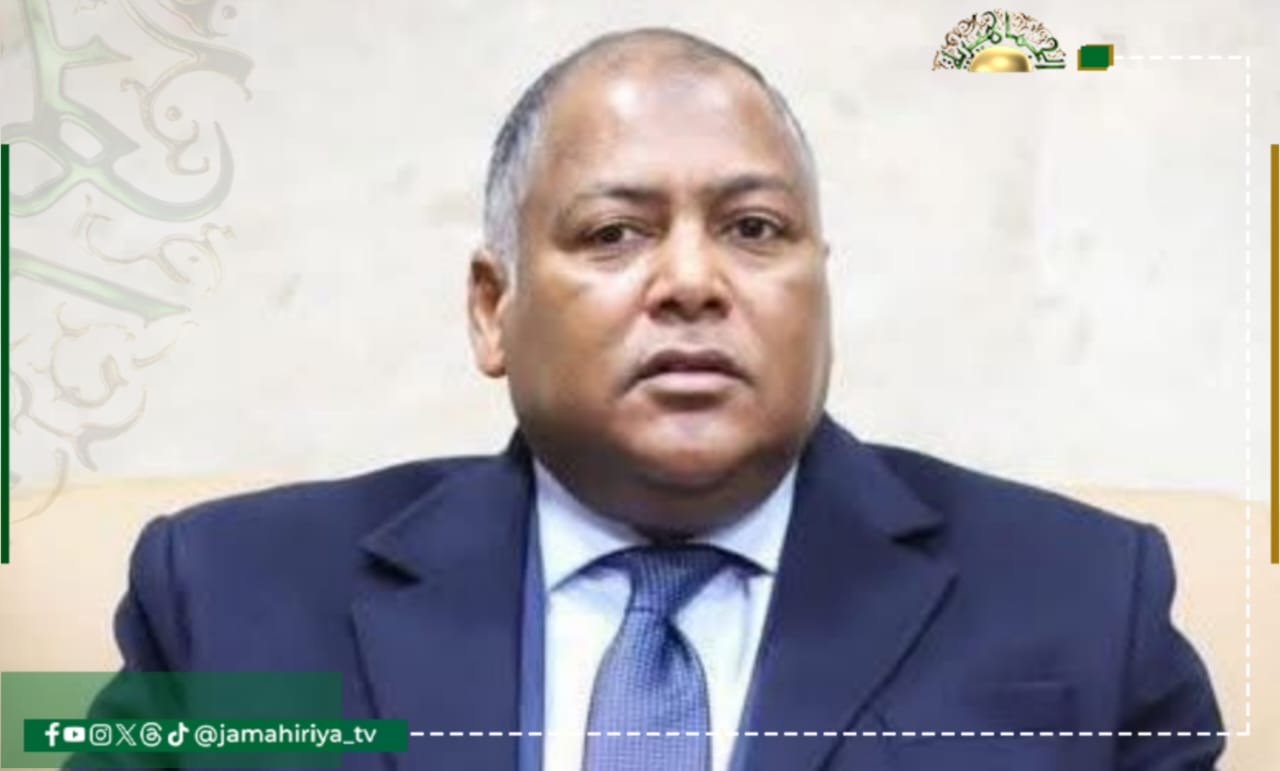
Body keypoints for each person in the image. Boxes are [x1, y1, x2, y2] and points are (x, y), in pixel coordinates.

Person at [100, 27, 1223, 771]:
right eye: (613, 233)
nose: (692, 280)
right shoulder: (228, 599)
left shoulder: (1083, 599)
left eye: (754, 229)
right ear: (493, 309)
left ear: (819, 289)